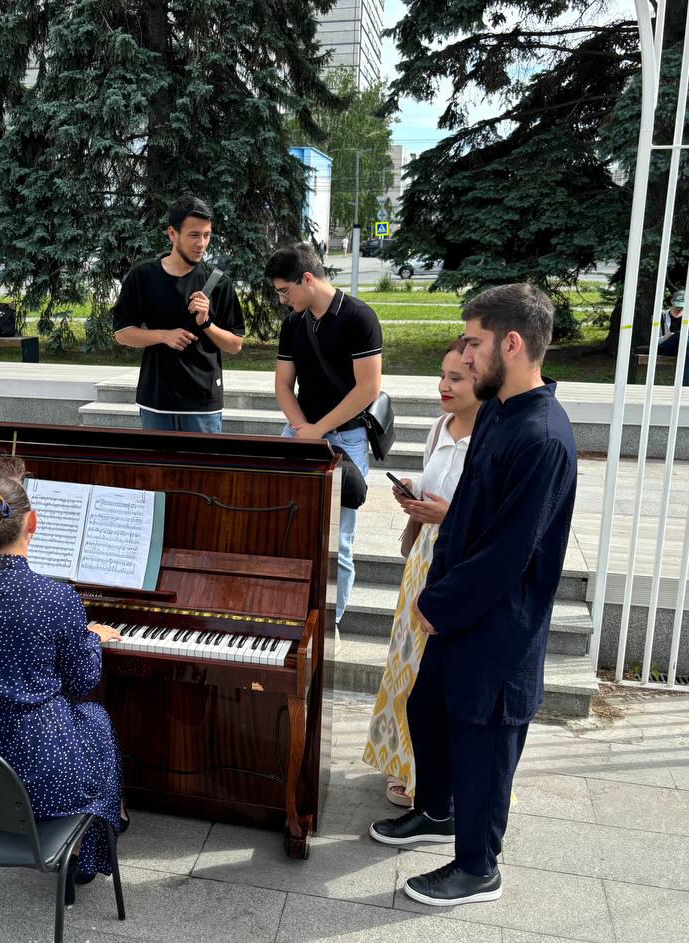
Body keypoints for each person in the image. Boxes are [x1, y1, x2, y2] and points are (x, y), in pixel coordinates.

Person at [369, 284, 577, 909]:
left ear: (512, 344)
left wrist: (438, 605)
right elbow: (466, 519)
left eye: (475, 341)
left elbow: (509, 552)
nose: (465, 352)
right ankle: (436, 810)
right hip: (459, 607)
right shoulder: (499, 411)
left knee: (485, 743)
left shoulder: (541, 435)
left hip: (499, 624)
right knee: (429, 710)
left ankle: (478, 866)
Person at [0, 460, 127, 901]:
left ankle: (67, 833)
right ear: (33, 523)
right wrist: (90, 638)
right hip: (43, 771)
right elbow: (82, 680)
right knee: (93, 718)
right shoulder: (56, 597)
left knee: (79, 720)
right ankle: (79, 848)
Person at [362, 338, 479, 808]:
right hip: (424, 560)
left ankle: (425, 775)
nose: (443, 386)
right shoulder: (440, 427)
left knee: (432, 672)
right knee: (405, 666)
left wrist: (446, 515)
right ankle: (400, 762)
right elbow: (434, 488)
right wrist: (413, 492)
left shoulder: (489, 438)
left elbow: (485, 516)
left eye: (457, 378)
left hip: (455, 561)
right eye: (443, 376)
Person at [265, 241, 382, 627]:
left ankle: (331, 625)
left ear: (308, 279)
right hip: (300, 432)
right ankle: (287, 615)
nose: (283, 300)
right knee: (281, 528)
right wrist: (302, 429)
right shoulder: (293, 323)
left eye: (285, 291)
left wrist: (319, 430)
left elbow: (367, 389)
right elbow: (284, 385)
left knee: (339, 544)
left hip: (345, 440)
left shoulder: (359, 318)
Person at [112, 196, 245, 433]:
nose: (202, 244)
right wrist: (164, 335)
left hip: (204, 405)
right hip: (156, 402)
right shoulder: (143, 276)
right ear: (172, 234)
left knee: (204, 471)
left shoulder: (219, 283)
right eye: (194, 235)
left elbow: (235, 345)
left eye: (207, 235)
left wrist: (206, 323)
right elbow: (122, 334)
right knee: (157, 472)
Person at [658, 290, 689, 386]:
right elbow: (655, 339)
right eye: (677, 305)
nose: (679, 308)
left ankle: (683, 386)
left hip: (684, 347)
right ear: (672, 302)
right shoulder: (662, 315)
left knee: (687, 351)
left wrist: (685, 336)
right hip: (667, 347)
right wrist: (667, 336)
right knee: (680, 334)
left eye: (682, 305)